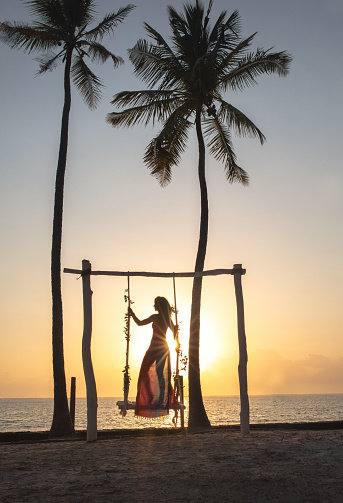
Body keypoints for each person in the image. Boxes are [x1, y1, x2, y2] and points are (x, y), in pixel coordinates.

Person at [129, 296, 178, 418]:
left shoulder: (156, 317)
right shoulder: (167, 320)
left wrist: (132, 313)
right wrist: (176, 340)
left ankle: (157, 399)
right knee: (159, 374)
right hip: (161, 348)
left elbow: (140, 323)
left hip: (156, 347)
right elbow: (174, 334)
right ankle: (158, 399)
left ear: (159, 305)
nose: (153, 306)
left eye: (155, 304)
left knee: (152, 373)